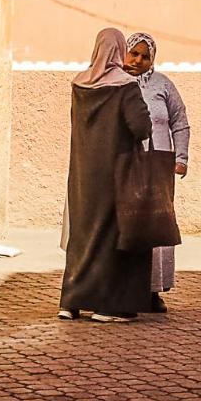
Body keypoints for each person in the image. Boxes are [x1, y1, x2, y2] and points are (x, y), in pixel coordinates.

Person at [59, 28, 153, 323]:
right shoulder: (125, 86)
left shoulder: (79, 84)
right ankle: (109, 307)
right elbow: (141, 128)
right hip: (117, 174)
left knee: (83, 236)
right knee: (116, 237)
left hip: (82, 175)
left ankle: (70, 303)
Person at [124, 32, 190, 314]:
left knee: (157, 226)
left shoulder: (163, 85)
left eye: (145, 56)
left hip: (159, 166)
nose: (139, 60)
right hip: (128, 167)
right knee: (128, 226)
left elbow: (180, 122)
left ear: (153, 59)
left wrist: (182, 158)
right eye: (134, 54)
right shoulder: (116, 83)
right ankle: (127, 289)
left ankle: (153, 291)